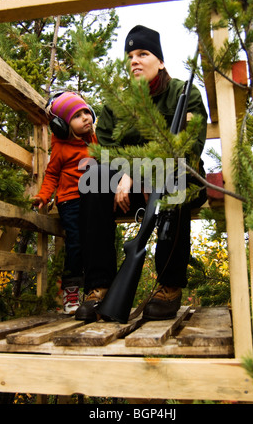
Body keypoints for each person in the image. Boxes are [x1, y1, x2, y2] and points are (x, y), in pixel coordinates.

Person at [75, 25, 207, 322]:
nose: (134, 60)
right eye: (130, 55)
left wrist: (141, 173)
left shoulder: (183, 94)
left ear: (160, 61)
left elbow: (188, 148)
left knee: (176, 181)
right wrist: (126, 175)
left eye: (143, 53)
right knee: (92, 182)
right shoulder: (114, 104)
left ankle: (169, 287)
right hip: (131, 190)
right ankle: (100, 287)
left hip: (176, 180)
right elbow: (104, 152)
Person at [32, 91, 97, 314]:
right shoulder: (60, 147)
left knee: (94, 243)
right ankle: (71, 290)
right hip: (70, 201)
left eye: (87, 111)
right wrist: (43, 195)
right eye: (78, 116)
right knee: (76, 244)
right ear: (63, 125)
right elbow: (51, 175)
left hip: (92, 198)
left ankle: (93, 291)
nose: (86, 117)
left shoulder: (94, 140)